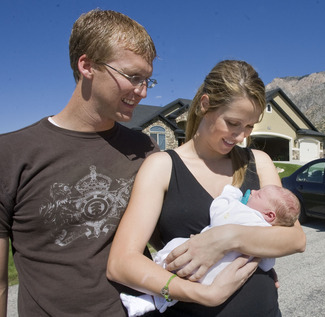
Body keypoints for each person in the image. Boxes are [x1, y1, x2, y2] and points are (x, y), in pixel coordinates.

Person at [107, 59, 307, 317]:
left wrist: (224, 238)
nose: (241, 136)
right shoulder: (162, 167)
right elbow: (121, 263)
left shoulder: (258, 162)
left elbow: (296, 238)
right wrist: (203, 294)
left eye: (249, 126)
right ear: (204, 105)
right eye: (233, 123)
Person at [0, 9, 162, 316]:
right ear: (87, 66)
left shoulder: (145, 149)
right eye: (133, 77)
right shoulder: (9, 154)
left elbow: (173, 235)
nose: (141, 91)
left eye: (147, 80)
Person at [120, 184, 300, 316]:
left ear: (269, 215)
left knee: (177, 247)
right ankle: (150, 301)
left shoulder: (242, 211)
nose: (252, 191)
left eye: (259, 195)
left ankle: (154, 282)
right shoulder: (269, 232)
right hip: (217, 278)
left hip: (209, 269)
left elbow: (218, 212)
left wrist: (230, 194)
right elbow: (268, 262)